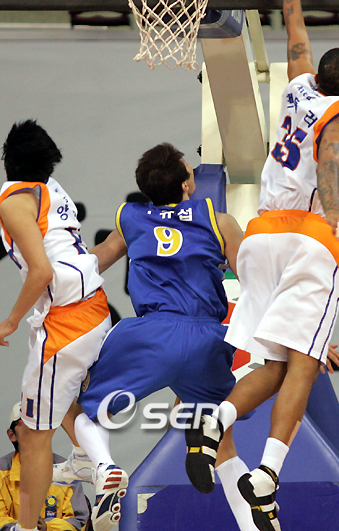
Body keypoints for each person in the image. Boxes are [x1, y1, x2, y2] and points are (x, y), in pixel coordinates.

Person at [184, 0, 339, 531]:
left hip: (261, 237)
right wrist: (334, 211)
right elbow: (331, 158)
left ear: (316, 75)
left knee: (275, 364)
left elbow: (295, 29)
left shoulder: (297, 86)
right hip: (308, 236)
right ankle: (266, 472)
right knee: (305, 365)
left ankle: (217, 421)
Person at [52, 142, 261, 531]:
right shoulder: (220, 221)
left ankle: (100, 467)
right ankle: (252, 523)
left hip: (150, 335)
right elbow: (256, 285)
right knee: (223, 441)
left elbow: (95, 260)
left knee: (67, 394)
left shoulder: (131, 219)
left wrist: (49, 278)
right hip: (205, 338)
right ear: (186, 185)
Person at [0, 121, 113, 531]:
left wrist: (10, 321)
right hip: (94, 310)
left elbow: (41, 271)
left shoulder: (16, 204)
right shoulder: (48, 190)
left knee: (32, 437)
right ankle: (93, 460)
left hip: (65, 324)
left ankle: (33, 524)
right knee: (60, 403)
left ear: (5, 161)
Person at [0, 403, 91, 531]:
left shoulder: (67, 469)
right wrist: (20, 528)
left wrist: (47, 527)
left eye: (39, 423)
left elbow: (79, 522)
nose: (34, 429)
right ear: (12, 435)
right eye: (24, 423)